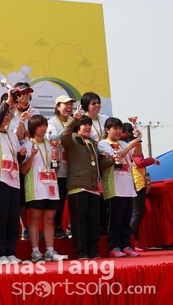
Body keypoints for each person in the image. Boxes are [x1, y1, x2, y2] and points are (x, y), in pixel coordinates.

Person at [61, 106, 114, 260]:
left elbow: (99, 165)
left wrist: (112, 159)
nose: (88, 127)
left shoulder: (93, 144)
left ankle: (94, 250)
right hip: (78, 187)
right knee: (80, 223)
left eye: (89, 125)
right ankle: (82, 252)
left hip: (94, 188)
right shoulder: (71, 140)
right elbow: (64, 137)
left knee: (94, 222)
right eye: (84, 124)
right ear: (78, 127)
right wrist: (74, 119)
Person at [20, 115, 66, 262]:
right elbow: (23, 170)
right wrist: (32, 156)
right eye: (40, 126)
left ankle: (50, 251)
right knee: (35, 220)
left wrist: (56, 161)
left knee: (50, 219)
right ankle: (35, 252)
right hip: (36, 188)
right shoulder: (27, 145)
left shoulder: (51, 145)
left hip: (51, 187)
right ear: (33, 128)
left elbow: (56, 170)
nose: (43, 128)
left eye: (45, 125)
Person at [0, 91, 25, 265]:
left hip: (14, 181)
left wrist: (21, 155)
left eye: (8, 114)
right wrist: (7, 102)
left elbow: (17, 159)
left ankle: (10, 251)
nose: (6, 117)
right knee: (0, 219)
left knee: (12, 218)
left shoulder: (11, 135)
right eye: (3, 114)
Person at [98, 117, 142, 258]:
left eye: (119, 128)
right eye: (115, 128)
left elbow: (137, 155)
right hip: (114, 187)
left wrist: (138, 141)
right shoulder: (103, 144)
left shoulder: (123, 143)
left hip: (127, 186)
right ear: (107, 129)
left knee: (126, 220)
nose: (118, 131)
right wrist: (129, 146)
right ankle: (114, 246)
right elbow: (115, 157)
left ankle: (126, 245)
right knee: (115, 220)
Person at [8, 82, 38, 240]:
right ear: (15, 95)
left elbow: (40, 133)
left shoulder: (35, 112)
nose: (25, 96)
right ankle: (25, 228)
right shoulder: (10, 111)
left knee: (33, 192)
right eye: (22, 93)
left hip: (33, 156)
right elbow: (14, 137)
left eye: (28, 93)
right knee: (19, 196)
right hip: (15, 157)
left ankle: (34, 228)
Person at [126, 123, 160, 251]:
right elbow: (139, 162)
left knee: (137, 213)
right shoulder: (130, 145)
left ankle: (136, 241)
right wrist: (152, 160)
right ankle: (131, 242)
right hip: (137, 183)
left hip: (136, 182)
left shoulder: (128, 145)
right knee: (136, 213)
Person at [80, 92, 109, 236]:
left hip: (105, 161)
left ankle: (104, 226)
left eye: (98, 102)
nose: (97, 105)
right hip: (89, 163)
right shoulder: (82, 121)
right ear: (86, 106)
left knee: (105, 195)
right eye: (93, 103)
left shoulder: (105, 119)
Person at [47, 95, 76, 239]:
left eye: (71, 104)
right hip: (58, 169)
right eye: (66, 104)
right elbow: (53, 138)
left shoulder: (74, 121)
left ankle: (72, 227)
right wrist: (70, 126)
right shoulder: (52, 122)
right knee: (59, 200)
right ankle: (57, 227)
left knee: (75, 201)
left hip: (74, 168)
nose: (69, 107)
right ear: (57, 107)